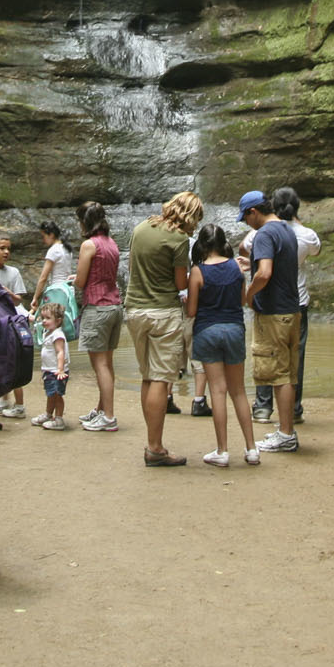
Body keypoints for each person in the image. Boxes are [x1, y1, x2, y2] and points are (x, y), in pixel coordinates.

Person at [126, 191, 199, 465]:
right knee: (160, 379)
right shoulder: (179, 239)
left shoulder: (141, 227)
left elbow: (133, 266)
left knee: (147, 376)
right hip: (163, 313)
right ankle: (155, 448)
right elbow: (180, 283)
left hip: (134, 310)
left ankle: (152, 441)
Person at [246, 185, 322, 425]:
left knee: (267, 359)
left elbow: (258, 263)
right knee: (292, 363)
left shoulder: (264, 234)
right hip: (297, 302)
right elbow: (317, 250)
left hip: (273, 306)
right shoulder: (301, 234)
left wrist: (248, 295)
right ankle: (293, 412)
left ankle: (263, 407)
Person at [186, 221, 259, 466]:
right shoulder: (236, 267)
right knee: (239, 391)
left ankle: (223, 451)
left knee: (217, 390)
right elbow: (242, 301)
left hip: (207, 330)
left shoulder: (198, 271)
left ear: (203, 245)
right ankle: (251, 449)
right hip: (234, 329)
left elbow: (192, 310)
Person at [239, 189, 301, 454]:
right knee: (286, 372)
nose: (245, 223)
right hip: (291, 310)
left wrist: (248, 294)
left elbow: (264, 273)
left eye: (245, 218)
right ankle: (286, 430)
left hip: (274, 313)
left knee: (278, 375)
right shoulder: (286, 229)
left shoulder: (263, 234)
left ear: (254, 212)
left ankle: (286, 434)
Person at [73, 201, 123, 432]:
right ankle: (102, 409)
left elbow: (82, 282)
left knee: (100, 365)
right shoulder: (111, 243)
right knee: (107, 364)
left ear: (85, 222)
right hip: (114, 306)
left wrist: (73, 280)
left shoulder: (89, 245)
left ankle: (109, 416)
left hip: (97, 307)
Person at [0, 236, 29, 418]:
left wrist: (6, 292)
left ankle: (18, 404)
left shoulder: (13, 272)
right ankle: (1, 401)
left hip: (10, 324)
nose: (6, 252)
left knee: (12, 362)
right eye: (2, 248)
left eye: (8, 249)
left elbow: (19, 299)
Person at [28, 219, 77, 339]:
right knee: (63, 328)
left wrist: (35, 297)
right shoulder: (67, 249)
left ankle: (54, 356)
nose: (43, 239)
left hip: (56, 293)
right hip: (68, 291)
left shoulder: (54, 250)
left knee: (51, 329)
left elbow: (43, 277)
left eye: (43, 236)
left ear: (51, 234)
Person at [32, 302, 70, 429]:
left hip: (57, 371)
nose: (44, 321)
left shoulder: (58, 335)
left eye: (48, 318)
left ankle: (59, 419)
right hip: (49, 370)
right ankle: (48, 414)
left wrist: (60, 369)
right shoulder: (47, 332)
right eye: (43, 318)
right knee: (50, 393)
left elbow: (60, 352)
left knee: (57, 394)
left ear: (58, 321)